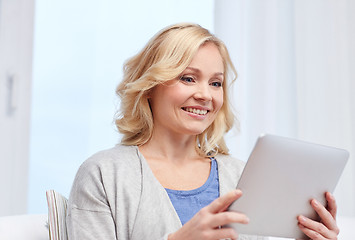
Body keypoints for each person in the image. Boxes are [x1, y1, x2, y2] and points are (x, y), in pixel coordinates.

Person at [66, 23, 340, 240]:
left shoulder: (241, 176)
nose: (205, 95)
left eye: (216, 83)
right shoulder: (103, 174)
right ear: (150, 86)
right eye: (188, 78)